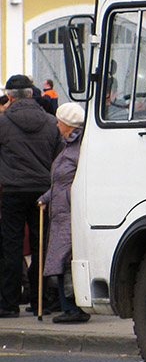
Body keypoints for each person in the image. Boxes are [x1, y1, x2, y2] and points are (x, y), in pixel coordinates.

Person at [0, 75, 62, 317]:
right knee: (41, 247)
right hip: (43, 193)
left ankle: (8, 304)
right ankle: (40, 301)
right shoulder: (50, 122)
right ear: (31, 93)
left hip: (13, 191)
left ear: (10, 96)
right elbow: (58, 159)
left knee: (11, 247)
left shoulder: (3, 123)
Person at [38, 102, 89, 323]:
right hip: (61, 213)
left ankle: (74, 308)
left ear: (68, 125)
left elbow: (75, 183)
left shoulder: (77, 151)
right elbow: (61, 183)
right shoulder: (69, 147)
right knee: (61, 260)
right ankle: (70, 306)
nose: (57, 124)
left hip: (69, 215)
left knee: (65, 260)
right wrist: (46, 198)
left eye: (59, 121)